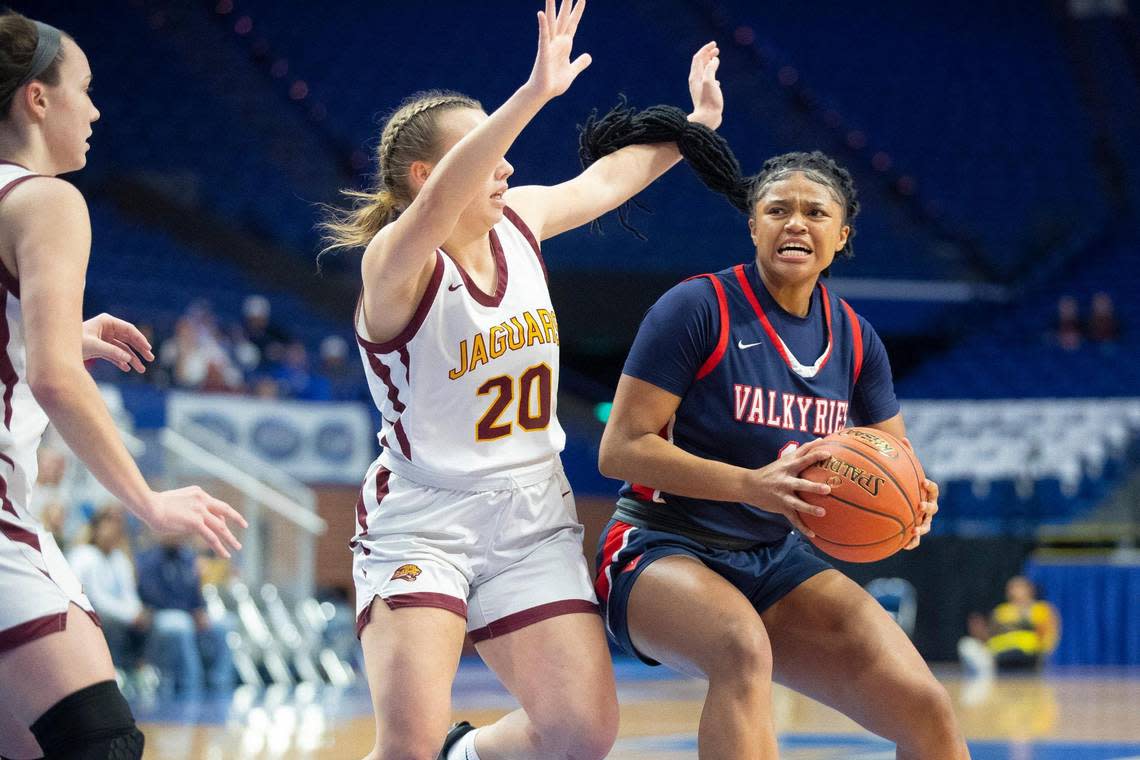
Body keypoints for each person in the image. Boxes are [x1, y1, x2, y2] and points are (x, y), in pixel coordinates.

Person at [317, 2, 723, 758]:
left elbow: (608, 179)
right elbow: (440, 205)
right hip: (424, 518)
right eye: (484, 148)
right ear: (425, 174)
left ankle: (465, 756)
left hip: (531, 514)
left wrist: (693, 126)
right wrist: (534, 93)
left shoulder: (521, 221)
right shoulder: (394, 265)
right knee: (404, 741)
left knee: (582, 732)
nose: (506, 163)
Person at [593, 148, 969, 758]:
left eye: (815, 212)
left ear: (840, 235)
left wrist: (916, 502)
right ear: (754, 226)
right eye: (778, 210)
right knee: (741, 650)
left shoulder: (854, 338)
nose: (796, 222)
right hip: (658, 543)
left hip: (771, 557)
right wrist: (750, 485)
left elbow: (894, 457)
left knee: (924, 707)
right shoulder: (697, 307)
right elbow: (621, 449)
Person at [0, 12, 245, 758]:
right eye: (86, 88)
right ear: (37, 99)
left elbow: (34, 357)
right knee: (101, 744)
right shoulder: (46, 200)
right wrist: (147, 501)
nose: (98, 109)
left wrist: (57, 333)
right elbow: (53, 379)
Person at [136, 536, 235, 697]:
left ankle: (220, 683)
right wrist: (189, 612)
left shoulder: (189, 559)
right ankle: (190, 682)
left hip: (188, 614)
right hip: (161, 614)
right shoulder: (148, 560)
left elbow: (195, 592)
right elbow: (151, 596)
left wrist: (199, 610)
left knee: (224, 625)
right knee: (182, 624)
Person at [67, 507, 151, 675]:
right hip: (85, 614)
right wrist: (129, 615)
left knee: (148, 619)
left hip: (119, 615)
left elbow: (129, 594)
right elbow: (96, 599)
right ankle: (112, 671)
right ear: (96, 528)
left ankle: (138, 672)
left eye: (118, 525)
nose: (113, 530)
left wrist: (136, 612)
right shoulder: (83, 556)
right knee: (109, 622)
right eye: (108, 524)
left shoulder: (120, 558)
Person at [958, 576, 1060, 677]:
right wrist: (978, 632)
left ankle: (987, 669)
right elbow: (989, 638)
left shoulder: (1041, 609)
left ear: (1030, 590)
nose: (1014, 591)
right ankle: (986, 670)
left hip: (1026, 654)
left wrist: (1042, 654)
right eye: (1011, 588)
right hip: (999, 654)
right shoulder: (1001, 611)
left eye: (1018, 587)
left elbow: (1049, 635)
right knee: (966, 644)